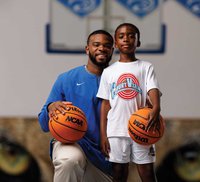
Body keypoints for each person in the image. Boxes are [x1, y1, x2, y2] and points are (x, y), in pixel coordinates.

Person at [38, 30, 114, 182]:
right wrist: (50, 107)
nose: (101, 48)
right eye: (96, 45)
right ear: (87, 49)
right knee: (69, 160)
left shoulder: (120, 81)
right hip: (73, 142)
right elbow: (43, 124)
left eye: (106, 45)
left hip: (105, 156)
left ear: (112, 50)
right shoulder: (66, 79)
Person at [97, 23, 161, 182]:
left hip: (142, 128)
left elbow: (152, 89)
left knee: (147, 173)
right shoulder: (109, 71)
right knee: (119, 174)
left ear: (138, 42)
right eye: (121, 36)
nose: (126, 39)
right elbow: (105, 104)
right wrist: (103, 135)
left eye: (131, 35)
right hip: (116, 129)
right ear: (115, 42)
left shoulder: (146, 67)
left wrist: (156, 106)